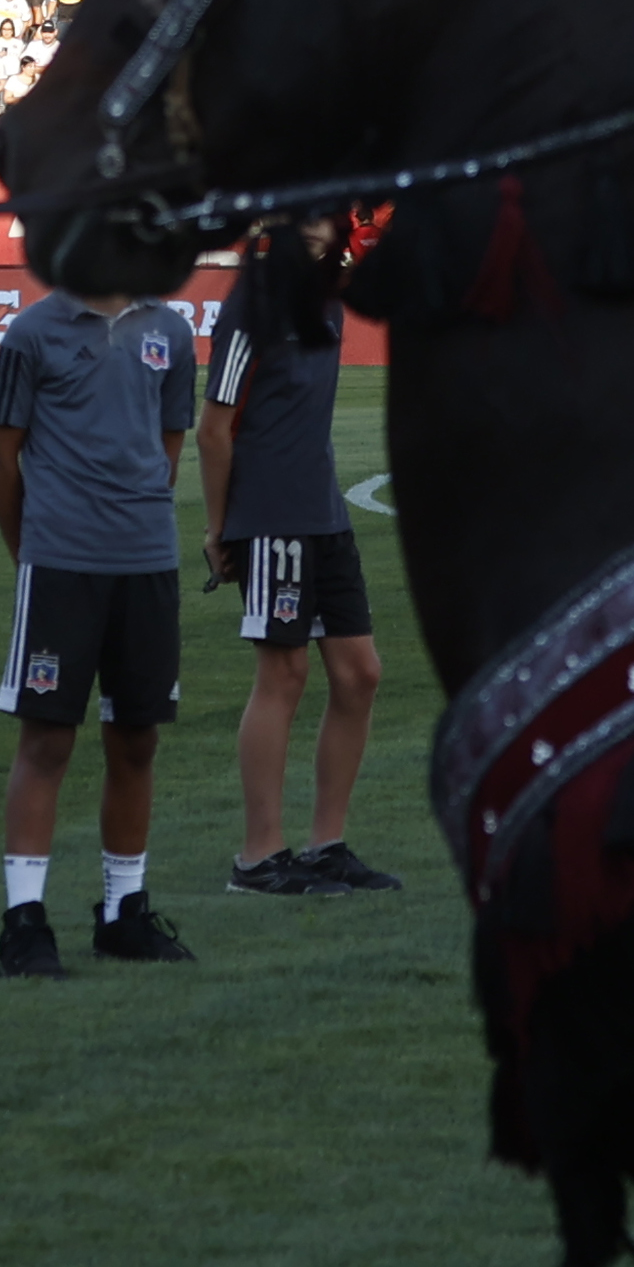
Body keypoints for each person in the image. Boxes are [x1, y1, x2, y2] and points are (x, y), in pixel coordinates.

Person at [0, 266, 200, 976]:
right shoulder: (32, 331)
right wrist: (33, 551)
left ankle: (123, 912)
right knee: (47, 739)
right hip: (61, 563)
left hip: (147, 562)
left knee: (136, 738)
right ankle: (24, 920)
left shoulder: (169, 329)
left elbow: (167, 449)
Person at [200, 217, 394, 896]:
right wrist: (219, 527)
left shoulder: (332, 292)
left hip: (323, 506)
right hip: (272, 510)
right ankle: (258, 857)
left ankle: (326, 845)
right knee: (282, 675)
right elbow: (214, 427)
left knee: (359, 673)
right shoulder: (253, 297)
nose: (324, 225)